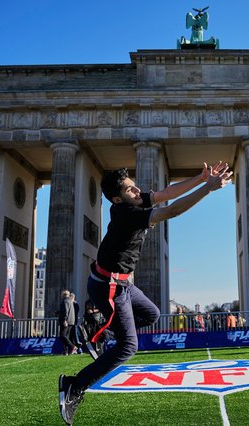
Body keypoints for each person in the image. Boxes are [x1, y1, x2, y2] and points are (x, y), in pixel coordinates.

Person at [58, 162, 232, 425]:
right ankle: (75, 385)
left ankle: (100, 334)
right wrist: (208, 189)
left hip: (123, 284)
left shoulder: (136, 200)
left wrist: (199, 178)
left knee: (152, 314)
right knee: (128, 346)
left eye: (134, 184)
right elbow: (172, 210)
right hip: (109, 286)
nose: (137, 190)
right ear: (118, 199)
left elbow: (166, 193)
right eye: (130, 189)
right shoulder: (127, 212)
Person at [58, 289, 77, 355]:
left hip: (66, 321)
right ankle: (65, 351)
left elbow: (65, 311)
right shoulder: (70, 301)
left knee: (62, 335)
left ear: (63, 295)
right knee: (66, 336)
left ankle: (72, 347)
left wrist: (64, 320)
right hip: (71, 321)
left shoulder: (65, 301)